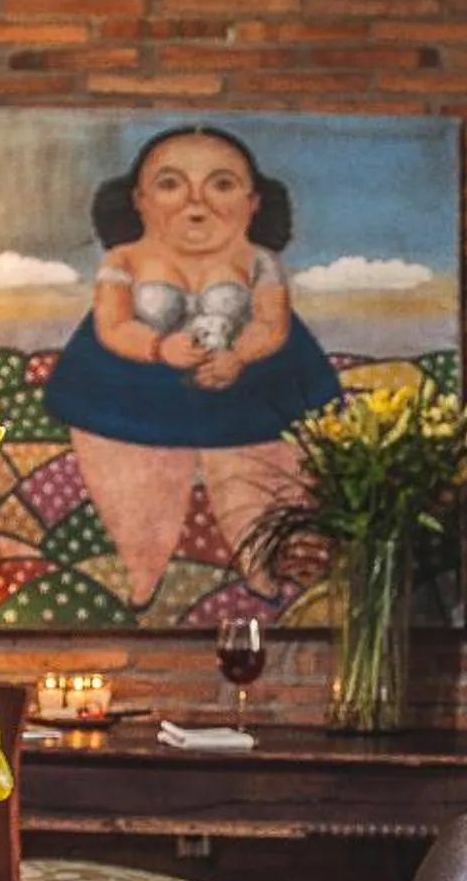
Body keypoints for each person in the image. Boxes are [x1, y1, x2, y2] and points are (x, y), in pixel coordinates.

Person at [41, 125, 342, 609]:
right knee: (138, 495)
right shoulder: (124, 259)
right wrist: (161, 349)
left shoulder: (259, 261)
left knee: (256, 487)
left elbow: (270, 323)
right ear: (139, 199)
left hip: (252, 387)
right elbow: (113, 324)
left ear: (254, 201)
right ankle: (141, 574)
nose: (196, 202)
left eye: (221, 184)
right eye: (171, 183)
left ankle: (261, 572)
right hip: (132, 389)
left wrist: (238, 356)